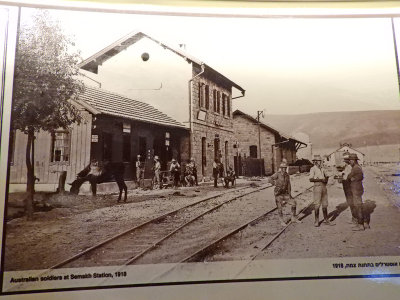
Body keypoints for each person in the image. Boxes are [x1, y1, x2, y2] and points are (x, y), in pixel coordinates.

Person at [270, 162, 301, 226]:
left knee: (294, 203)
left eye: (285, 168)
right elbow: (270, 178)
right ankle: (281, 221)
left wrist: (289, 193)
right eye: (283, 168)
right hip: (278, 193)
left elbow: (289, 185)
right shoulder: (277, 174)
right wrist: (274, 183)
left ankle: (293, 218)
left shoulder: (287, 175)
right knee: (280, 207)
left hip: (285, 193)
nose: (284, 169)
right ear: (280, 168)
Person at [309, 154, 334, 227]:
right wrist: (320, 179)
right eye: (319, 161)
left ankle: (326, 220)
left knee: (325, 204)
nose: (320, 162)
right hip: (317, 186)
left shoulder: (322, 169)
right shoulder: (313, 169)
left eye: (320, 161)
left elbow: (326, 176)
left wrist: (327, 178)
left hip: (323, 186)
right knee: (317, 204)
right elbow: (310, 179)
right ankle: (316, 221)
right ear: (315, 161)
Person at [347, 153, 367, 231]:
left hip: (356, 189)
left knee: (358, 206)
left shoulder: (355, 168)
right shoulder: (358, 167)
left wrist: (352, 178)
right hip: (359, 188)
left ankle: (360, 225)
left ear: (354, 160)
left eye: (350, 160)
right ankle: (365, 223)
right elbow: (360, 176)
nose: (349, 162)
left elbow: (359, 176)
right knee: (359, 205)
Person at [341, 153, 357, 225]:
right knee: (350, 201)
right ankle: (354, 218)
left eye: (345, 160)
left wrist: (342, 177)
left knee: (351, 202)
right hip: (346, 185)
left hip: (349, 186)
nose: (344, 161)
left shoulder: (350, 167)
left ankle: (355, 218)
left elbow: (349, 177)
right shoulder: (347, 167)